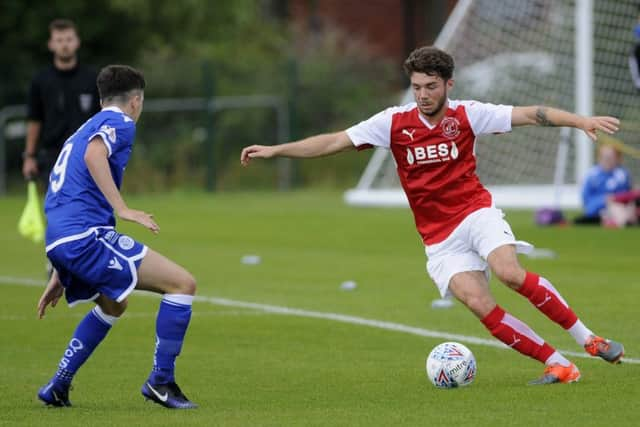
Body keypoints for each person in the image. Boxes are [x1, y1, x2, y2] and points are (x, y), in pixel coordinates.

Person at [241, 46, 625, 385]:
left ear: (449, 85)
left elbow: (531, 114)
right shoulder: (393, 122)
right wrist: (277, 150)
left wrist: (581, 122)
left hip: (475, 212)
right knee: (478, 303)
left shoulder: (469, 115)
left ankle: (588, 339)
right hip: (438, 238)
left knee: (509, 272)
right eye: (417, 87)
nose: (423, 95)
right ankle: (558, 365)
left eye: (431, 86)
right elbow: (334, 141)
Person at [36, 65, 197, 409]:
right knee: (182, 284)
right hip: (85, 236)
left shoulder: (81, 130)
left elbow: (64, 192)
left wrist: (60, 268)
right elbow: (96, 155)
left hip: (62, 240)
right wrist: (123, 209)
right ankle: (161, 382)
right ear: (136, 101)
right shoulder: (120, 123)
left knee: (114, 303)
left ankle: (58, 385)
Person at [22, 19, 100, 182]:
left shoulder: (93, 78)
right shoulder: (40, 81)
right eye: (59, 40)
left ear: (77, 42)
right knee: (57, 206)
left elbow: (102, 118)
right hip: (52, 156)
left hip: (86, 154)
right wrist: (29, 156)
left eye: (69, 39)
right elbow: (34, 120)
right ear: (51, 44)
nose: (64, 45)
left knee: (87, 205)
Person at [574, 144, 631, 225]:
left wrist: (614, 199)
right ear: (599, 158)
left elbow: (627, 195)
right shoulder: (592, 175)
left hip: (618, 207)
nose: (607, 160)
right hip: (596, 209)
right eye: (605, 157)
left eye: (610, 157)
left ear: (618, 159)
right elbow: (586, 199)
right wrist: (604, 200)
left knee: (624, 209)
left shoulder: (622, 174)